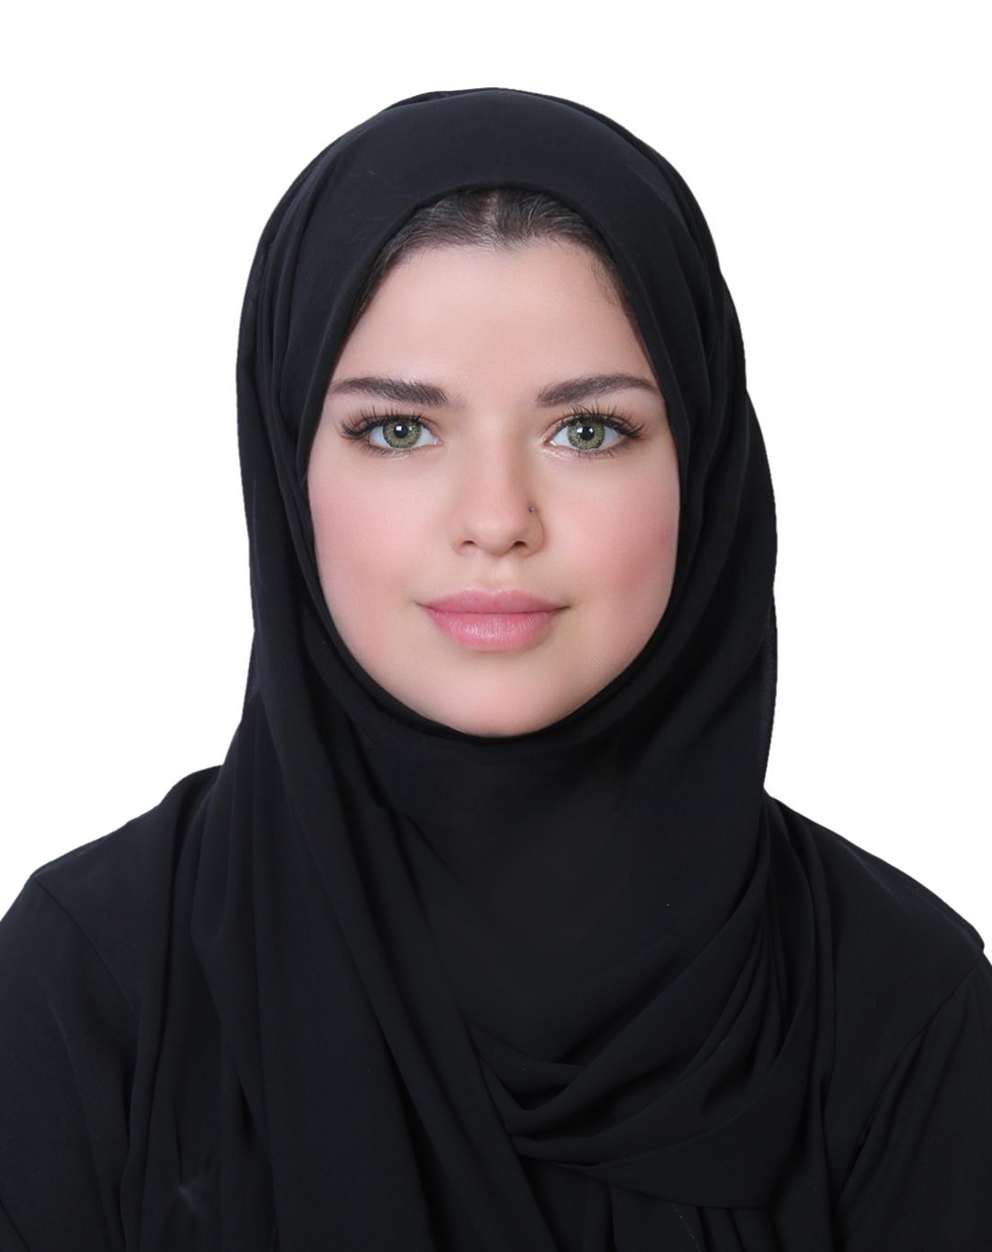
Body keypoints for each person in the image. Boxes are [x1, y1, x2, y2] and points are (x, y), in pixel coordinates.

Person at [0, 85, 989, 1252]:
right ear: (285, 465)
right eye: (398, 429)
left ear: (705, 466)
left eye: (586, 429)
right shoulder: (93, 985)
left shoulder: (901, 1006)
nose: (494, 518)